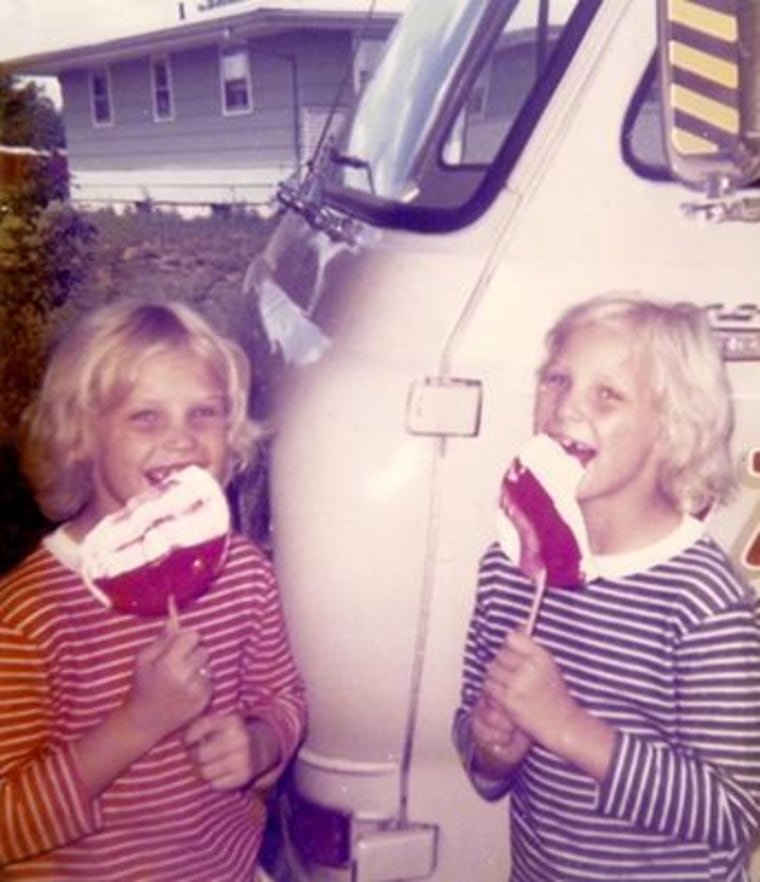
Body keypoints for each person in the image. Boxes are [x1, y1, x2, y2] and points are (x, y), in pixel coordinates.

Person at [453, 293, 760, 881]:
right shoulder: (508, 565)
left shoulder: (700, 598)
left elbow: (734, 811)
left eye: (607, 395)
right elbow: (478, 753)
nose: (565, 407)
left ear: (672, 432)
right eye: (557, 380)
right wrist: (493, 749)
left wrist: (567, 726)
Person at [0, 299, 307, 881]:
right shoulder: (28, 616)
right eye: (145, 417)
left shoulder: (242, 572)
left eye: (204, 414)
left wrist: (262, 745)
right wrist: (141, 720)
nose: (183, 440)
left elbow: (284, 697)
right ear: (79, 438)